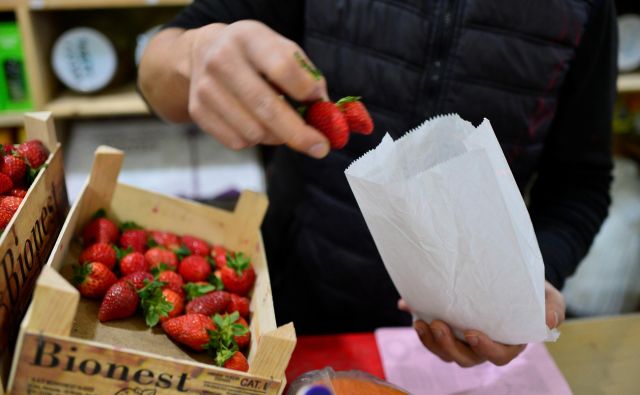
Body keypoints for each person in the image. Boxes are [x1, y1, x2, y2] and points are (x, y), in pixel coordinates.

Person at [138, 0, 617, 367]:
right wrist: (193, 53)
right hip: (290, 306)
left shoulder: (583, 9)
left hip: (470, 325)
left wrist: (537, 283)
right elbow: (157, 71)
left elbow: (580, 183)